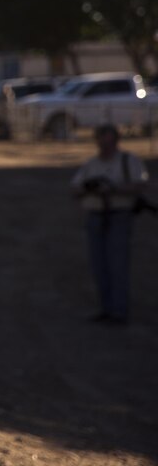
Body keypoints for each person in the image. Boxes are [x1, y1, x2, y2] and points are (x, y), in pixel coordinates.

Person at [70, 124, 148, 324]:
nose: (104, 141)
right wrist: (90, 189)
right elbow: (76, 188)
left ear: (115, 139)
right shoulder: (92, 164)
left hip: (118, 216)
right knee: (99, 264)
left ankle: (119, 310)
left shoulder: (127, 161)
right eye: (100, 137)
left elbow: (139, 185)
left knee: (117, 264)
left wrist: (113, 189)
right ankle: (106, 307)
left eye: (107, 137)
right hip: (96, 216)